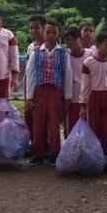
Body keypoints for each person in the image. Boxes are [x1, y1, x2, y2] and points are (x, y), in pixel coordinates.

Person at [25, 21, 73, 165]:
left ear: (59, 34)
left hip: (55, 91)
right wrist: (29, 96)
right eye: (48, 32)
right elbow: (30, 74)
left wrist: (68, 96)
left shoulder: (63, 52)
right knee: (38, 123)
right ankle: (38, 153)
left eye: (54, 32)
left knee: (54, 123)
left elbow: (68, 74)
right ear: (43, 34)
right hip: (39, 91)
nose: (51, 35)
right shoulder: (36, 52)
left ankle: (54, 152)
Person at [79, 32, 107, 160]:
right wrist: (83, 105)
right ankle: (94, 157)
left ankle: (106, 157)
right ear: (97, 45)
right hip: (94, 98)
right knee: (94, 127)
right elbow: (85, 85)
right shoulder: (88, 63)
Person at [25, 15, 46, 142]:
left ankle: (43, 142)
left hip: (42, 85)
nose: (33, 31)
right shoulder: (30, 46)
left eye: (37, 27)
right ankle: (32, 141)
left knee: (41, 115)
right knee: (29, 114)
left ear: (44, 28)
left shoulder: (49, 46)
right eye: (31, 28)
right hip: (29, 83)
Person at [64, 28, 86, 136]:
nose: (71, 42)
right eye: (68, 40)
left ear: (80, 40)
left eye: (74, 39)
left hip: (87, 99)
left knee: (87, 128)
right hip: (72, 99)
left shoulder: (91, 54)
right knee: (72, 129)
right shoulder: (65, 56)